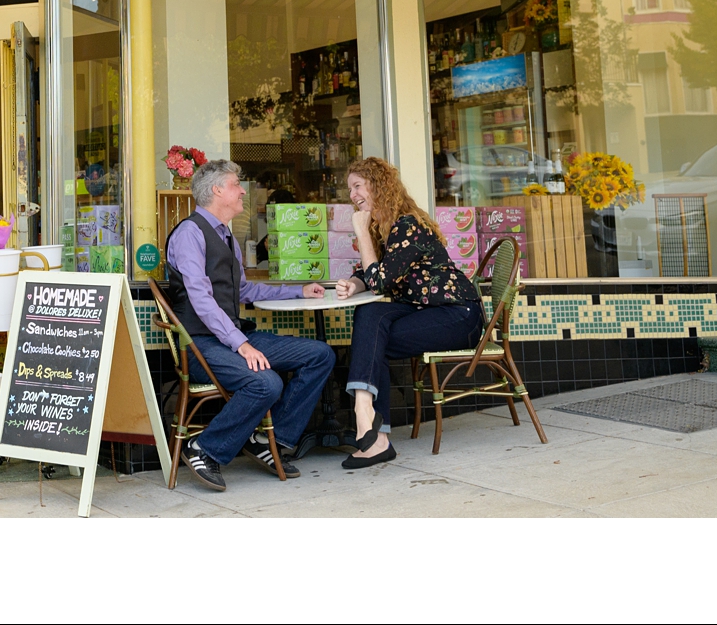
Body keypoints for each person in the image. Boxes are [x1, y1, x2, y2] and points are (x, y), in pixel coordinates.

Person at [160, 159, 337, 492]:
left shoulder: (226, 235)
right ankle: (204, 449)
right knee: (266, 384)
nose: (243, 190)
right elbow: (201, 300)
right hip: (201, 346)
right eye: (235, 184)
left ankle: (268, 439)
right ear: (216, 190)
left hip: (233, 337)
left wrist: (297, 291)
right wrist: (241, 344)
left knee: (320, 355)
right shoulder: (189, 233)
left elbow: (244, 290)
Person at [335, 156, 484, 470]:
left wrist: (361, 233)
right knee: (371, 319)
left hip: (457, 315)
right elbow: (371, 275)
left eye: (357, 186)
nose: (352, 195)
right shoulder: (385, 227)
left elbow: (379, 281)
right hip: (425, 311)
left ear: (378, 185)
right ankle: (371, 424)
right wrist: (352, 283)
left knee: (373, 339)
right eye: (350, 189)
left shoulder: (407, 225)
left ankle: (372, 428)